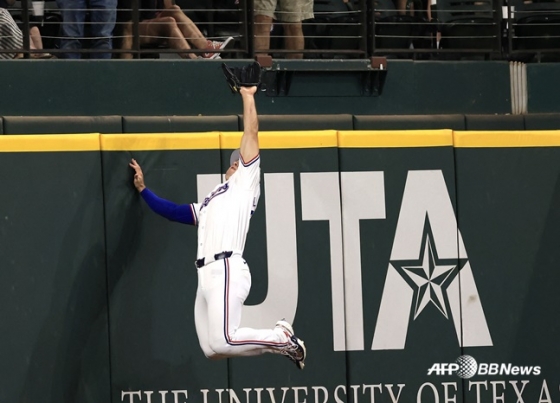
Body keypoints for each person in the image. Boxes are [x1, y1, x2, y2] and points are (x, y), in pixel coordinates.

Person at [128, 78, 307, 368]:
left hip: (227, 267)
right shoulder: (213, 198)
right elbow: (174, 211)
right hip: (205, 274)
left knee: (224, 339)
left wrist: (248, 96)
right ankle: (280, 342)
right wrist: (143, 190)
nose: (236, 163)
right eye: (234, 161)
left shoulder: (245, 185)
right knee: (212, 349)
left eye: (240, 161)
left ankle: (282, 338)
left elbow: (252, 132)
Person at [117, 0, 235, 59]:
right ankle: (195, 62)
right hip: (131, 28)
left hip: (150, 21)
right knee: (169, 23)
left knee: (175, 9)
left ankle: (206, 48)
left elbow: (168, 8)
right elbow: (127, 27)